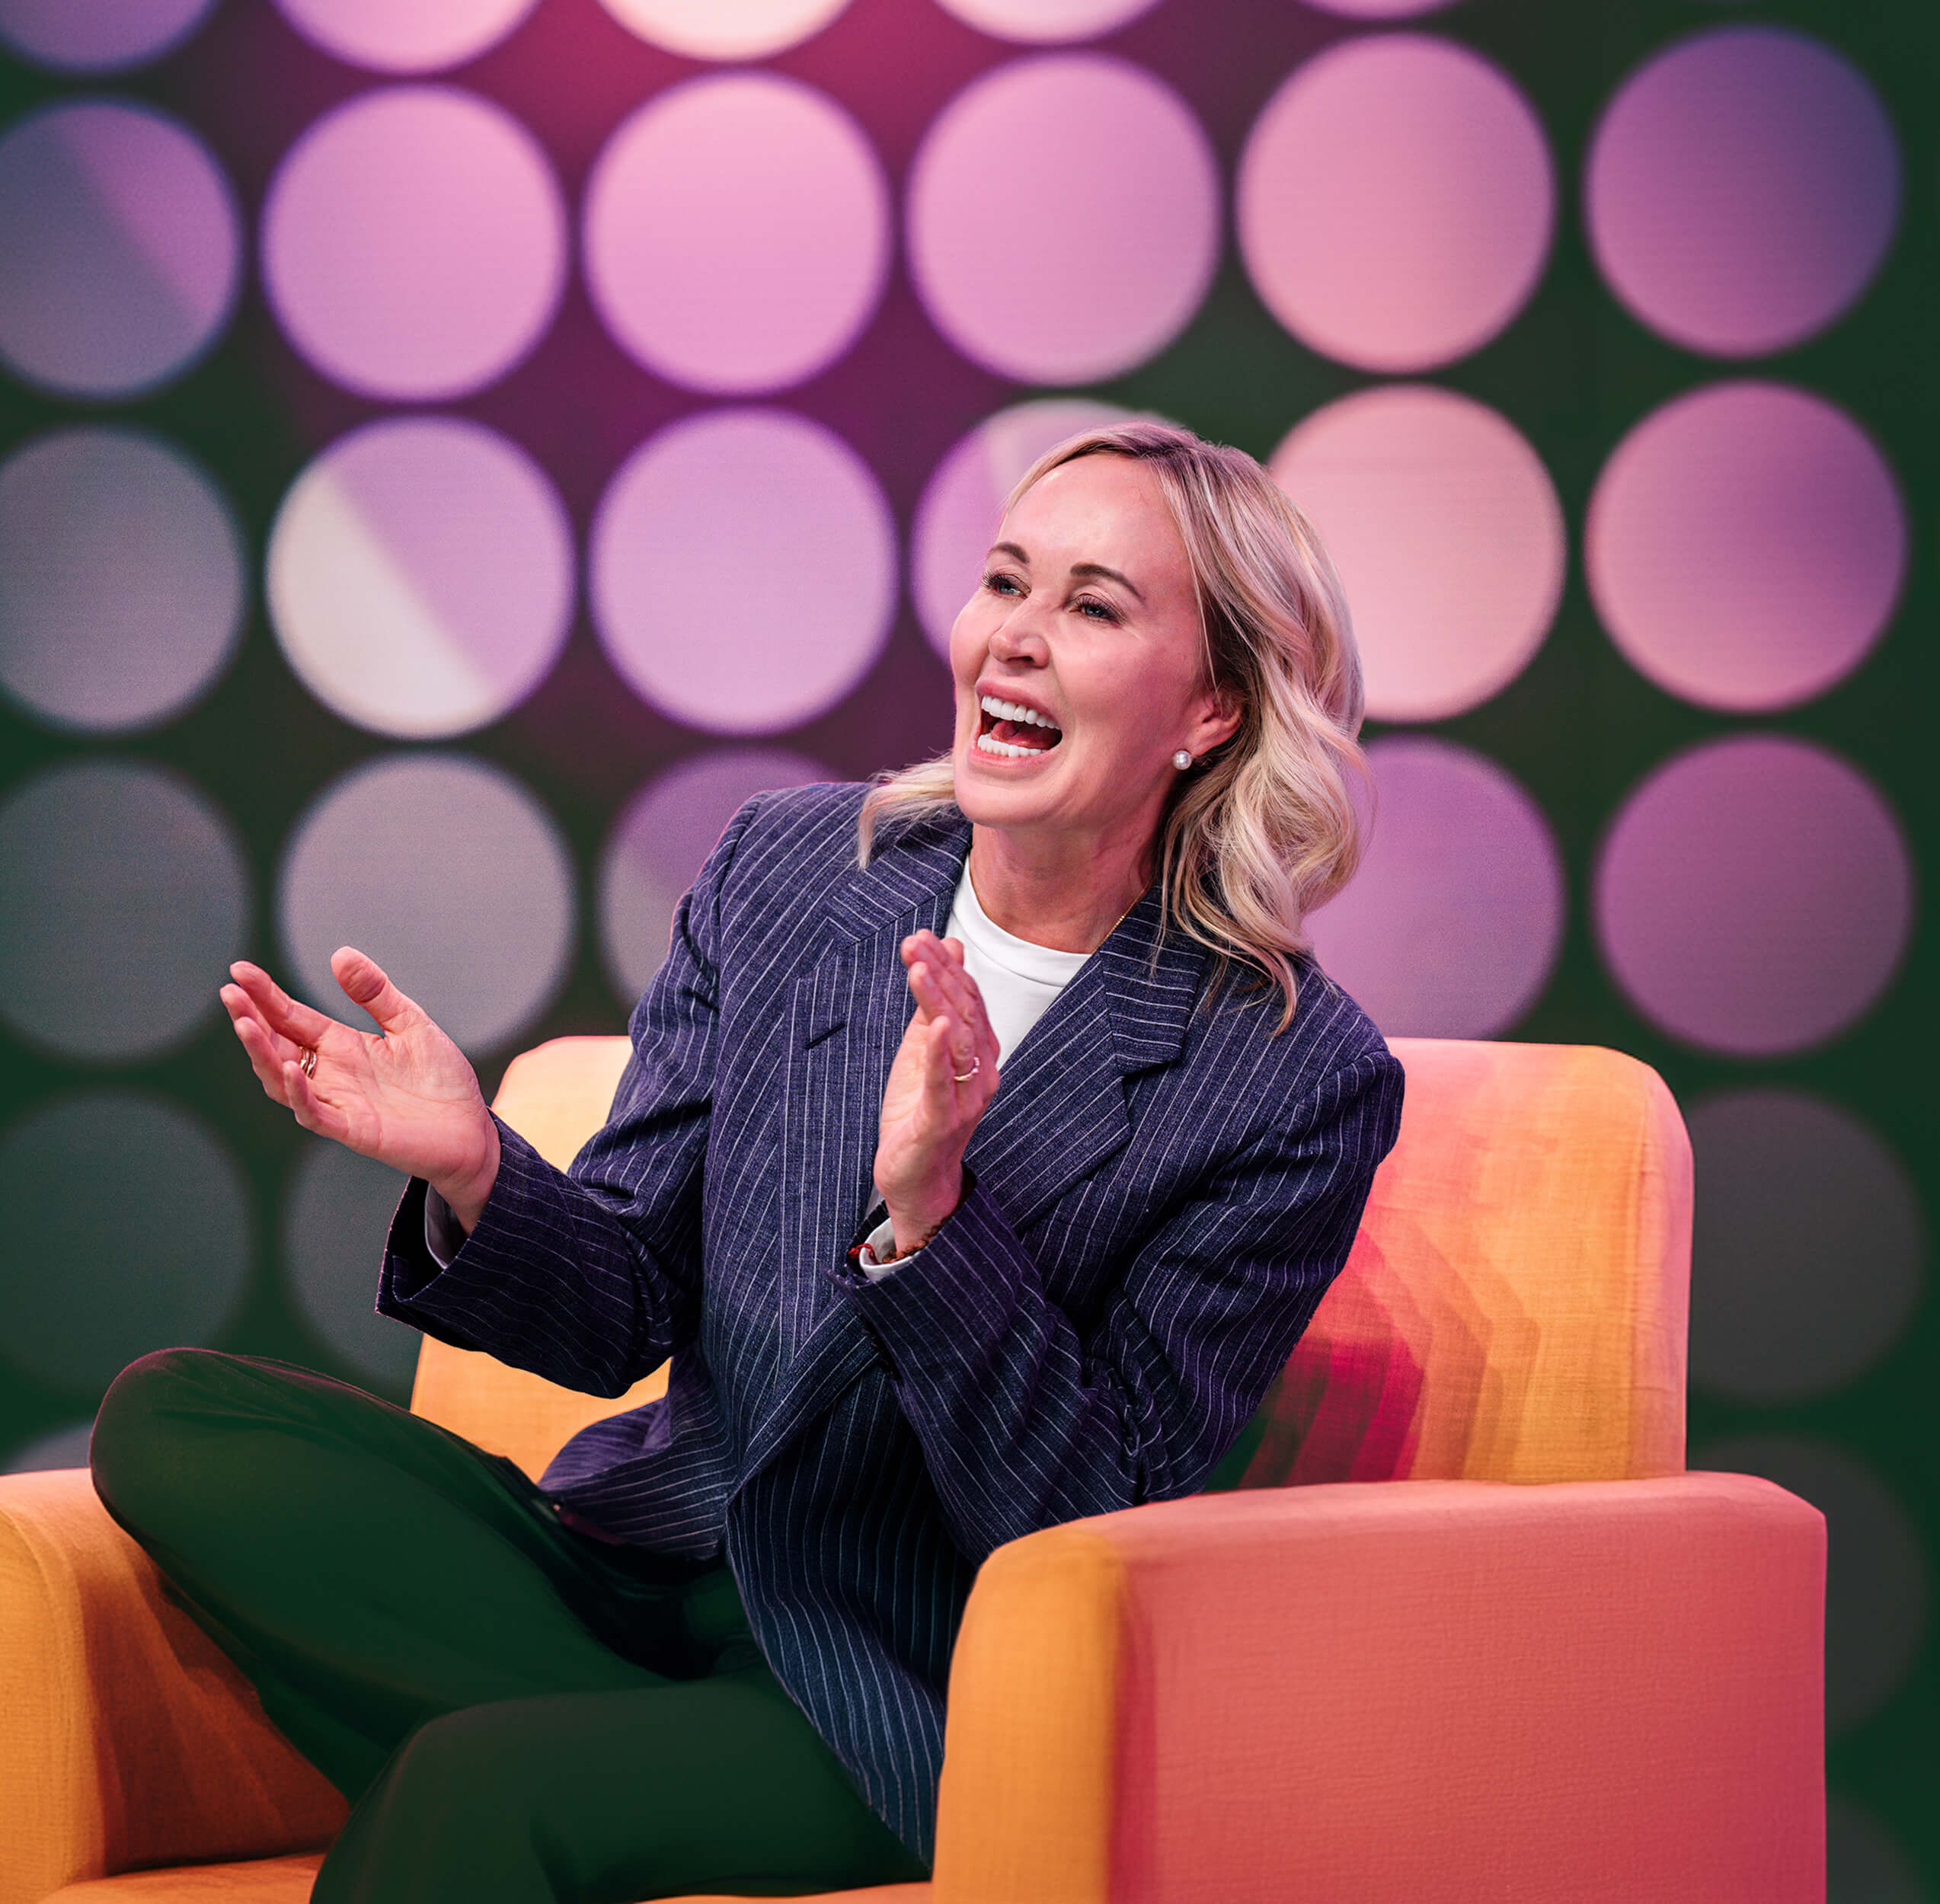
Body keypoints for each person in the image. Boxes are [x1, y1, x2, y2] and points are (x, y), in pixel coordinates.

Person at [90, 423, 1405, 1902]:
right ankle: (614, 1741)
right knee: (176, 1418)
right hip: (636, 1569)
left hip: (881, 1677)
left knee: (472, 1785)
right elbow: (621, 1309)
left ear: (1210, 708)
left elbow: (1093, 1524)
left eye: (1094, 607)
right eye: (1002, 582)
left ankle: (572, 1757)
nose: (1014, 640)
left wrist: (931, 1221)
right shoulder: (794, 866)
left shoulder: (1291, 1071)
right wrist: (477, 1168)